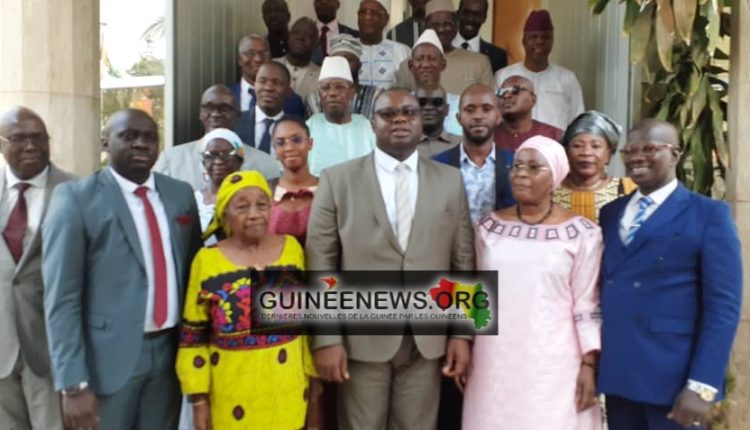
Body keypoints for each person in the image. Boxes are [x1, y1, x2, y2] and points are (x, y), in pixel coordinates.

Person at [307, 88, 474, 430]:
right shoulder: (337, 180)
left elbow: (462, 260)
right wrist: (327, 338)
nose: (400, 119)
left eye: (409, 112)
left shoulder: (449, 181)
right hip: (362, 339)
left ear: (421, 120)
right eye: (388, 113)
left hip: (426, 340)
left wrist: (463, 333)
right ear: (372, 122)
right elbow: (321, 263)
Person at [42, 109, 203, 430]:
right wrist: (73, 383)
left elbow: (194, 272)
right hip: (107, 362)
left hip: (170, 355)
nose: (141, 144)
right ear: (105, 142)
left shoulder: (180, 194)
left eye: (149, 137)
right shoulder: (75, 198)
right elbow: (61, 298)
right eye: (129, 136)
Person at [598, 120, 742, 430]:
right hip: (620, 375)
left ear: (675, 154)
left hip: (673, 381)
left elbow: (724, 307)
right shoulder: (610, 213)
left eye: (649, 148)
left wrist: (702, 385)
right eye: (629, 151)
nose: (637, 157)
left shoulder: (708, 214)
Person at [464, 135, 603, 429]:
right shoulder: (488, 228)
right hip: (492, 360)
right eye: (517, 166)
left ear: (555, 177)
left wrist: (589, 364)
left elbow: (587, 304)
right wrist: (464, 343)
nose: (521, 174)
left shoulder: (582, 234)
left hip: (554, 363)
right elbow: (474, 293)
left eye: (533, 167)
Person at [177, 170, 317, 430]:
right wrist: (199, 401)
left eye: (261, 205)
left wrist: (315, 390)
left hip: (287, 395)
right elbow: (193, 338)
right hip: (230, 397)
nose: (254, 214)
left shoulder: (291, 250)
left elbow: (306, 328)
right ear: (224, 215)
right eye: (242, 207)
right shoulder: (207, 261)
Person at [0, 107, 74, 429]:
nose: (31, 146)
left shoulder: (76, 191)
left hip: (50, 350)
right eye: (19, 139)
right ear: (1, 144)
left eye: (38, 138)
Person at [154, 85, 280, 190]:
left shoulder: (265, 164)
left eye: (224, 109)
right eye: (208, 108)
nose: (215, 114)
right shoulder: (171, 160)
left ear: (238, 115)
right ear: (200, 113)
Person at [435, 84, 514, 225]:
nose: (478, 116)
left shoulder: (515, 164)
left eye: (486, 109)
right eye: (470, 110)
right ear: (459, 118)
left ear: (498, 117)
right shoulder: (437, 166)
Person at [495, 10, 585, 130]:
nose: (539, 41)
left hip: (556, 141)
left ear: (552, 41)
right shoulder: (503, 76)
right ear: (523, 41)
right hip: (514, 141)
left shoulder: (567, 78)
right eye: (533, 37)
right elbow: (496, 116)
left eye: (545, 37)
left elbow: (578, 121)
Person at [394, 0, 496, 98]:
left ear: (456, 26)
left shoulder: (480, 62)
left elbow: (490, 102)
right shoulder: (411, 65)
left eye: (447, 24)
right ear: (425, 27)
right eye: (435, 25)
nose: (441, 29)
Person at [553, 111, 636, 222]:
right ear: (566, 151)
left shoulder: (629, 189)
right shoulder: (549, 190)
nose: (586, 152)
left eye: (595, 146)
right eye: (577, 146)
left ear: (609, 153)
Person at [306, 56, 376, 176]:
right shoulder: (309, 127)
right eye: (325, 88)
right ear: (320, 94)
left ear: (352, 92)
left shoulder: (366, 126)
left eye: (339, 87)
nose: (332, 93)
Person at [268, 115, 318, 246]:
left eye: (296, 140)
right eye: (280, 143)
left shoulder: (327, 188)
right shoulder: (265, 190)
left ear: (310, 143)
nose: (289, 147)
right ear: (274, 148)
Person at [306, 33, 382, 119]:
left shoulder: (376, 96)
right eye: (337, 60)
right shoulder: (315, 99)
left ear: (359, 65)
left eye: (348, 60)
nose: (342, 65)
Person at [232, 34, 305, 117]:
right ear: (239, 59)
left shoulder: (291, 100)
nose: (258, 59)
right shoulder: (229, 96)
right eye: (250, 53)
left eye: (263, 53)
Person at [194, 128, 246, 241]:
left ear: (239, 161)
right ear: (204, 162)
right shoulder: (193, 199)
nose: (218, 161)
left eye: (225, 155)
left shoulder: (249, 198)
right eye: (211, 155)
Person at [235, 62, 291, 156]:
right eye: (262, 81)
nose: (268, 88)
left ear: (288, 90)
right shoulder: (235, 122)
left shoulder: (295, 128)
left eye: (276, 83)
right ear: (254, 85)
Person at [494, 75, 562, 152]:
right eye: (502, 92)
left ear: (533, 99)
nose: (506, 96)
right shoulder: (488, 135)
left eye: (515, 90)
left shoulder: (554, 136)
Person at [357, 0, 411, 88]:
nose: (367, 17)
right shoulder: (348, 49)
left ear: (386, 19)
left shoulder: (402, 51)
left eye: (374, 13)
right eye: (363, 12)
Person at [453, 0, 507, 73]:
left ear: (484, 18)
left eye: (477, 15)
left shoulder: (497, 56)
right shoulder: (441, 48)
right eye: (466, 13)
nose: (470, 19)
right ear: (458, 14)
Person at [277, 18, 321, 99]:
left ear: (316, 44)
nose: (300, 37)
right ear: (288, 37)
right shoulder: (271, 65)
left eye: (308, 35)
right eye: (296, 32)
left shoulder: (321, 76)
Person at [415, 85, 460, 157]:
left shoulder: (464, 145)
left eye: (437, 102)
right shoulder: (401, 146)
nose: (428, 107)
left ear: (447, 110)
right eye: (422, 102)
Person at [312, 0, 359, 65]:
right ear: (314, 4)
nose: (324, 2)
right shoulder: (304, 35)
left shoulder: (354, 36)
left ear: (338, 4)